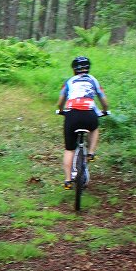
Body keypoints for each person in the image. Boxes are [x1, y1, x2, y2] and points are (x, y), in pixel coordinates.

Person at [56, 56, 110, 190]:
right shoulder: (93, 80)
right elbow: (103, 100)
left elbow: (60, 101)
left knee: (69, 149)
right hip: (89, 114)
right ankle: (91, 153)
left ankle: (68, 180)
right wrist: (104, 110)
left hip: (72, 115)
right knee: (94, 127)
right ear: (88, 68)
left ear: (74, 69)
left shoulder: (69, 81)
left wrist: (61, 110)